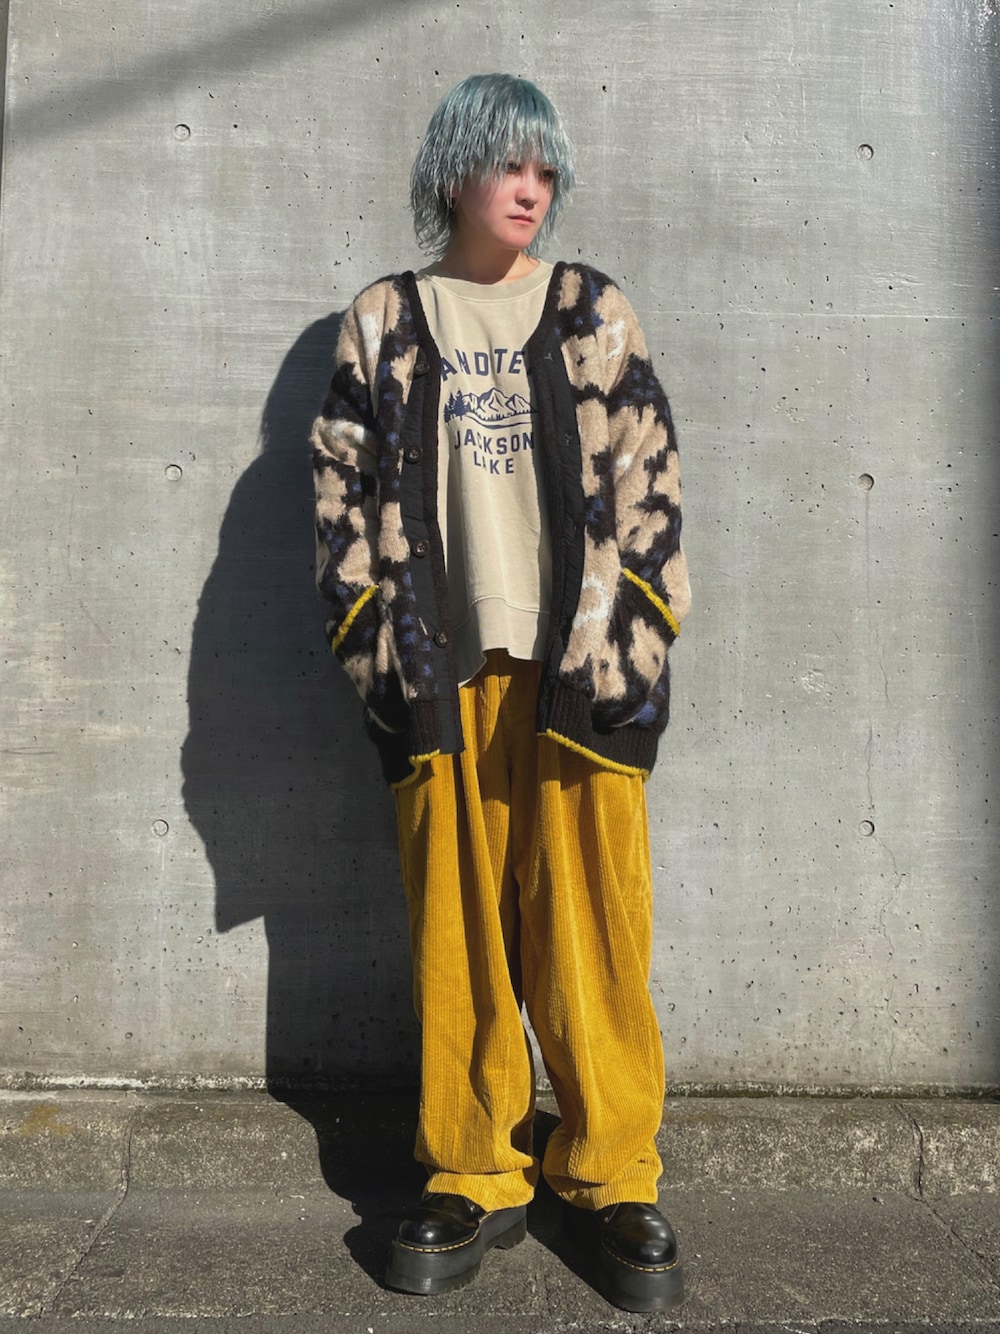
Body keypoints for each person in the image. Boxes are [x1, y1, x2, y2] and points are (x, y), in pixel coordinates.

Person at [310, 73, 690, 1314]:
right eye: (507, 163)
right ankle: (472, 1165)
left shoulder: (589, 310)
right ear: (455, 170)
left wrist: (633, 646)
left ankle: (611, 1168)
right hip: (443, 671)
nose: (530, 188)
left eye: (544, 169)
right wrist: (378, 654)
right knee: (459, 932)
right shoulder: (383, 319)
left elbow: (650, 484)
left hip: (581, 674)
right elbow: (338, 498)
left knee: (592, 931)